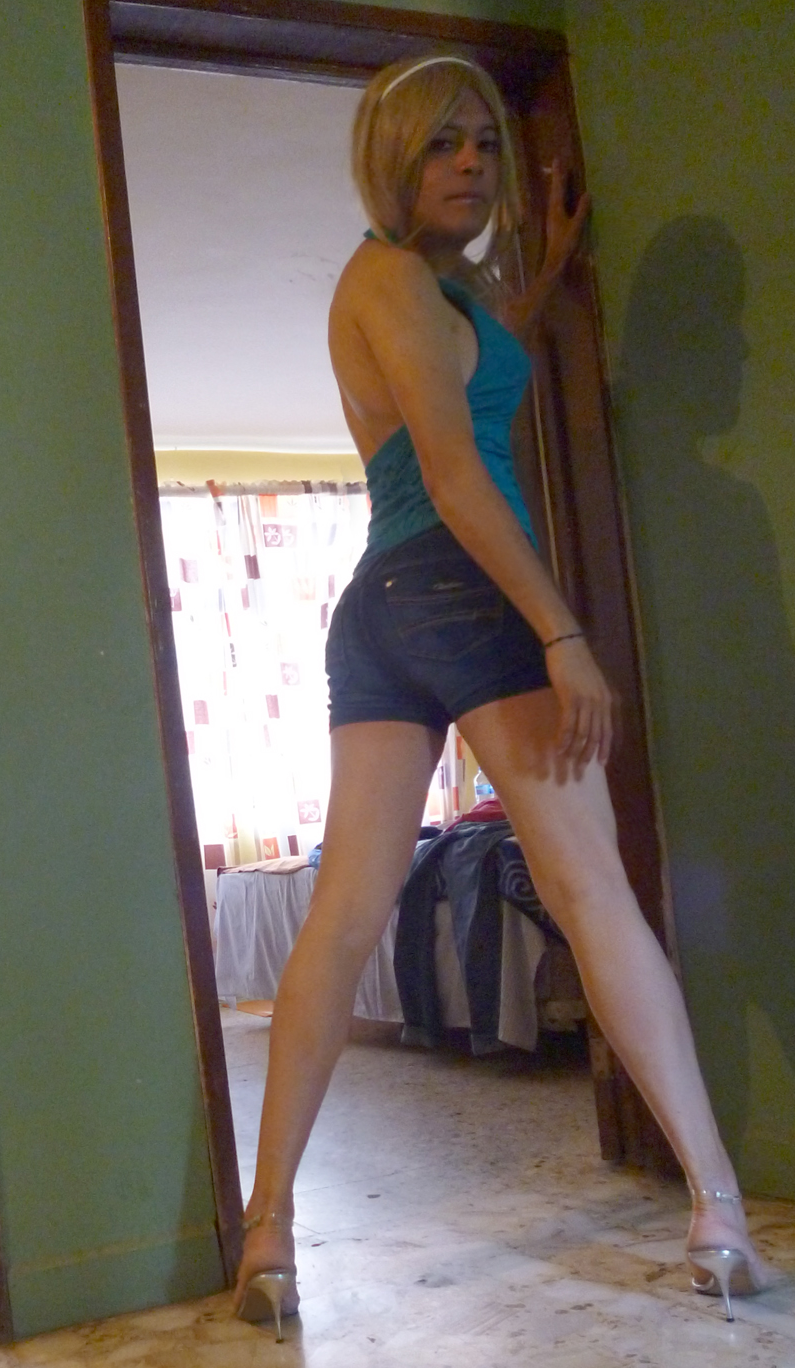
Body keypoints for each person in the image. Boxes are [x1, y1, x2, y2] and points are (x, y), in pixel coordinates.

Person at [234, 53, 771, 1337]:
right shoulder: (391, 279)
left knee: (343, 916)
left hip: (378, 608)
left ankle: (265, 1234)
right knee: (592, 892)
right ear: (390, 161)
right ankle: (718, 1207)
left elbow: (472, 373)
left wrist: (532, 284)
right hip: (461, 586)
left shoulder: (421, 290)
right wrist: (561, 631)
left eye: (481, 141)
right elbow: (457, 475)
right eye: (441, 145)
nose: (470, 162)